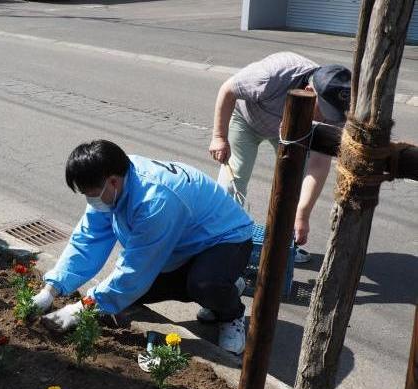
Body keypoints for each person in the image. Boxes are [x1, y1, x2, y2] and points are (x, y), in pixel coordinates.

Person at [32, 140, 254, 355]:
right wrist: (51, 289)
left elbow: (135, 270)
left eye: (92, 194)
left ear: (113, 182)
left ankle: (230, 311)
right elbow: (87, 240)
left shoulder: (154, 201)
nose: (91, 201)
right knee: (132, 295)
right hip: (182, 244)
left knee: (202, 284)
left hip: (226, 239)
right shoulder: (113, 178)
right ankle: (222, 283)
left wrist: (84, 307)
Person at [209, 52, 351, 260]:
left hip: (293, 132)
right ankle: (222, 243)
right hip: (247, 119)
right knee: (234, 179)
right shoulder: (271, 76)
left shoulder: (336, 109)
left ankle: (285, 245)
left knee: (294, 183)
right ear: (308, 91)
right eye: (323, 111)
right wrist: (219, 137)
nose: (325, 119)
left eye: (332, 115)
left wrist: (303, 214)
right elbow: (228, 89)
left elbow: (319, 164)